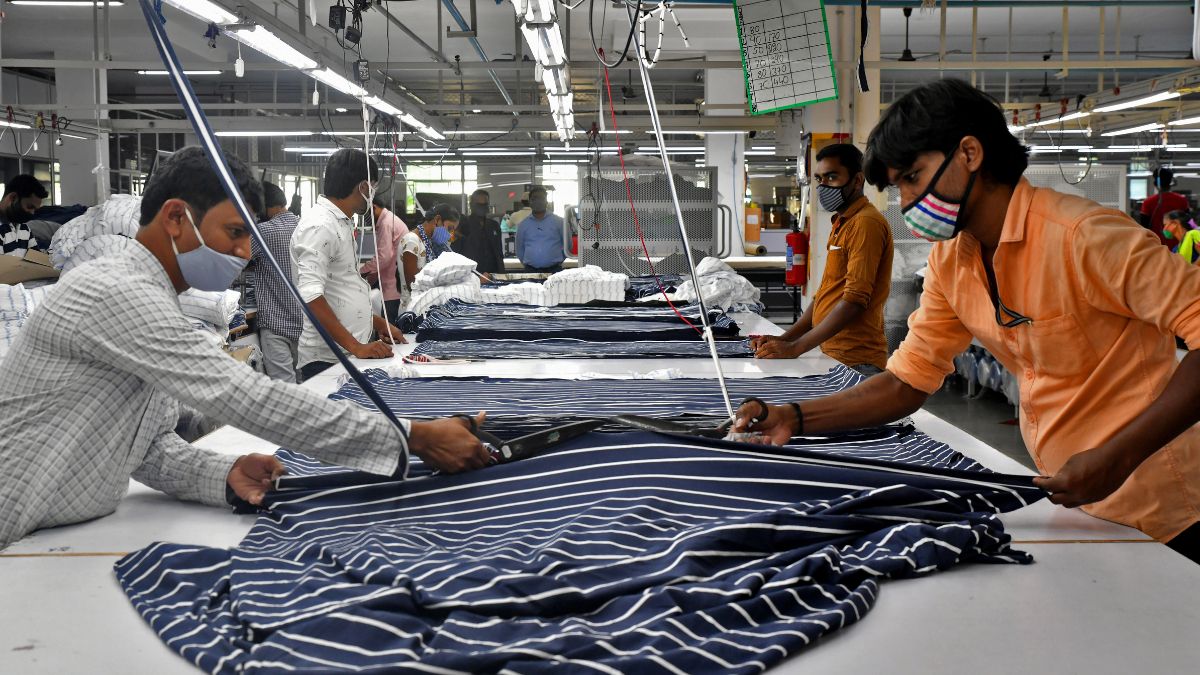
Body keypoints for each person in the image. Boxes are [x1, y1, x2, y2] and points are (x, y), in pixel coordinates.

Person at [733, 79, 1200, 562]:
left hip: (1162, 506)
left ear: (970, 153)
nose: (908, 202)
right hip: (1076, 504)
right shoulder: (952, 264)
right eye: (898, 188)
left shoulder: (1086, 237)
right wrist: (796, 417)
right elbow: (904, 384)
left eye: (913, 178)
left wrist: (1119, 456)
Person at [0, 146, 490, 550]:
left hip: (52, 543)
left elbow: (143, 446)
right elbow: (242, 394)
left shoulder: (157, 303)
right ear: (176, 218)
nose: (245, 253)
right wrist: (412, 438)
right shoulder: (114, 289)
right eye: (235, 233)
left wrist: (222, 474)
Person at [751, 144, 893, 375]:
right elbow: (825, 295)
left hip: (857, 358)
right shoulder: (843, 221)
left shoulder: (866, 223)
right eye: (819, 178)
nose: (823, 185)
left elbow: (854, 300)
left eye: (832, 177)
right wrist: (784, 339)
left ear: (857, 181)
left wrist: (795, 347)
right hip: (835, 353)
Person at [291, 149, 406, 382]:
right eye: (372, 187)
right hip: (328, 360)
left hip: (346, 354)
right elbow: (310, 296)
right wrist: (356, 347)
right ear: (363, 187)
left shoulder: (340, 222)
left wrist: (378, 322)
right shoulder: (320, 226)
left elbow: (342, 286)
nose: (373, 194)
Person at [248, 182, 304, 382]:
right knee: (307, 389)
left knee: (285, 392)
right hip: (306, 326)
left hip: (275, 326)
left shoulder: (263, 232)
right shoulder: (305, 227)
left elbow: (236, 261)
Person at [359, 196, 410, 321]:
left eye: (365, 214)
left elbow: (383, 257)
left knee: (389, 328)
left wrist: (360, 272)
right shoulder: (388, 220)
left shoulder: (386, 223)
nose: (365, 219)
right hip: (394, 284)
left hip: (393, 287)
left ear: (374, 207)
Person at [398, 204, 460, 306]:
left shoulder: (429, 242)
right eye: (449, 228)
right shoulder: (411, 240)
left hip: (426, 305)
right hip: (413, 309)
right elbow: (412, 284)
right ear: (437, 220)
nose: (450, 234)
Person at [454, 189, 505, 276]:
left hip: (493, 273)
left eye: (485, 205)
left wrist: (502, 273)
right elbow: (457, 252)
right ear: (471, 205)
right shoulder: (462, 224)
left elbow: (499, 253)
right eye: (478, 205)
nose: (481, 207)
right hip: (470, 274)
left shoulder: (494, 225)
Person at [515, 186, 565, 273]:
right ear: (530, 202)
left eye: (541, 198)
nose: (538, 201)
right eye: (534, 198)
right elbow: (519, 249)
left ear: (546, 201)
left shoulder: (559, 222)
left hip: (554, 270)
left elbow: (568, 245)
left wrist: (559, 260)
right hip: (530, 271)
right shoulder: (523, 225)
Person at [0, 174, 49, 256]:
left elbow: (36, 258)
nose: (32, 213)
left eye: (35, 209)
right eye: (30, 207)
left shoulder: (24, 228)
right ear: (13, 197)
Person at [1140, 167, 1189, 245]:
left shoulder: (1148, 202)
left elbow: (1143, 227)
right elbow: (1188, 224)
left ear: (1156, 183)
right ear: (1170, 182)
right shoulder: (1181, 200)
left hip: (1156, 245)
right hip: (1179, 245)